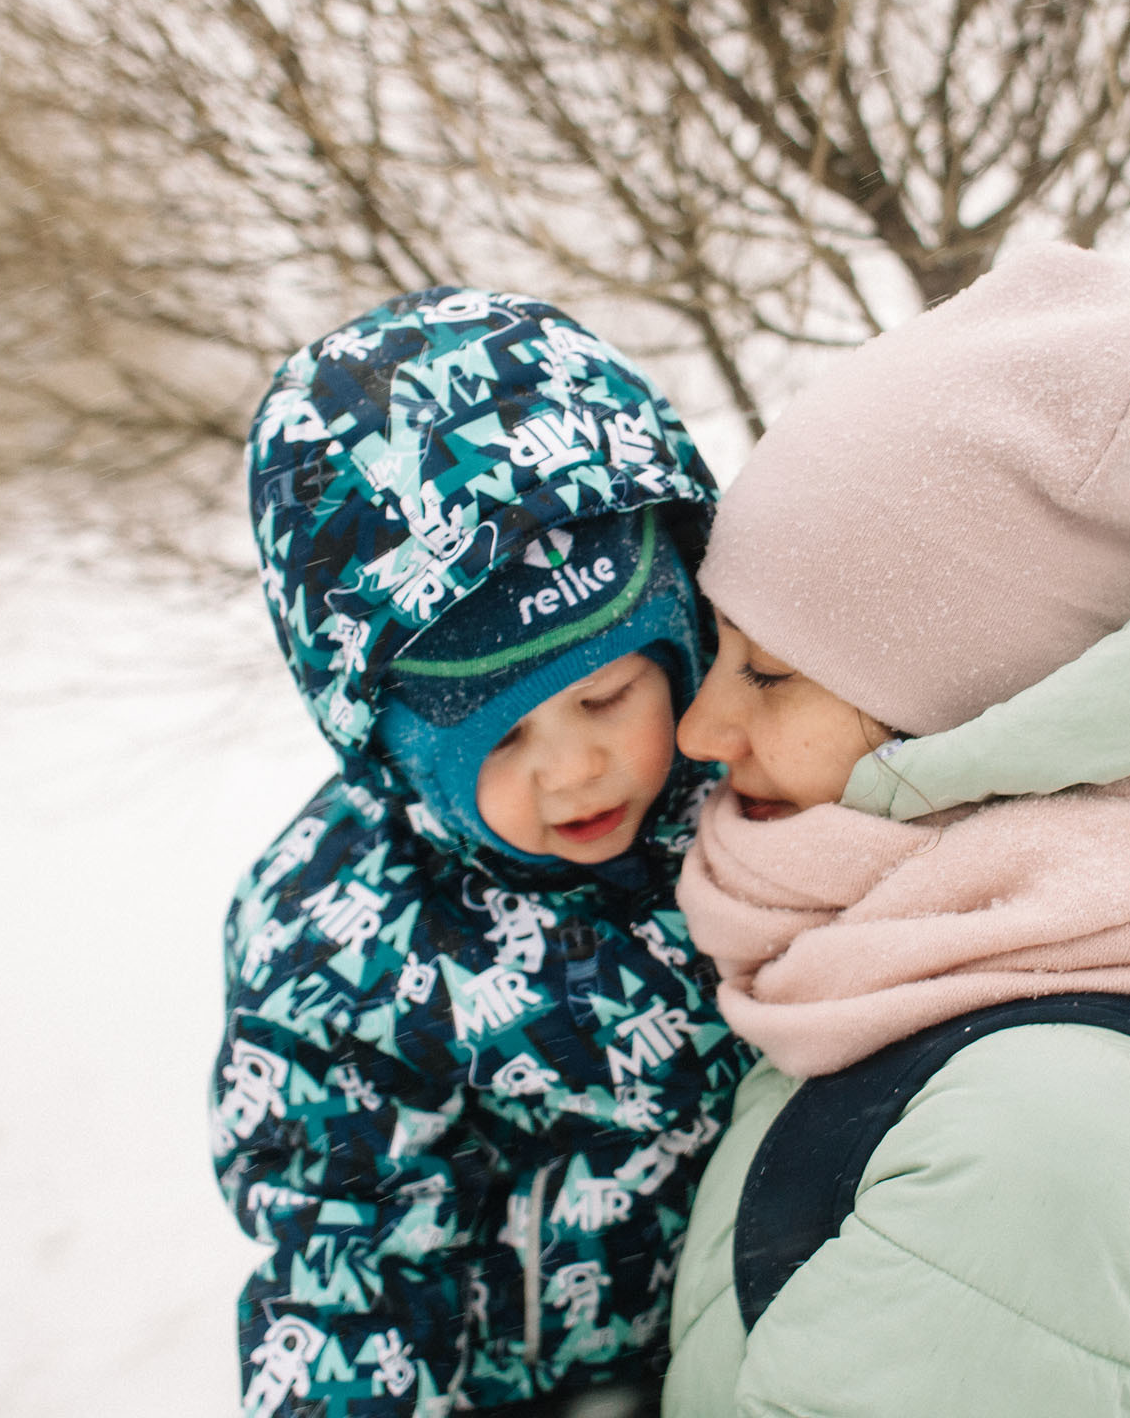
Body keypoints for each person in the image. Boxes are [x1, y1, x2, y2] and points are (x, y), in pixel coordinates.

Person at [660, 244, 1130, 1417]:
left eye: (769, 675)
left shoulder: (1040, 1139)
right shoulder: (981, 952)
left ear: (957, 720)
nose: (702, 726)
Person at [214, 288, 754, 1418]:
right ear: (394, 749)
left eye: (607, 695)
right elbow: (343, 1259)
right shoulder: (341, 936)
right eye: (500, 739)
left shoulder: (760, 775)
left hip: (794, 1320)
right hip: (547, 1388)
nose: (575, 771)